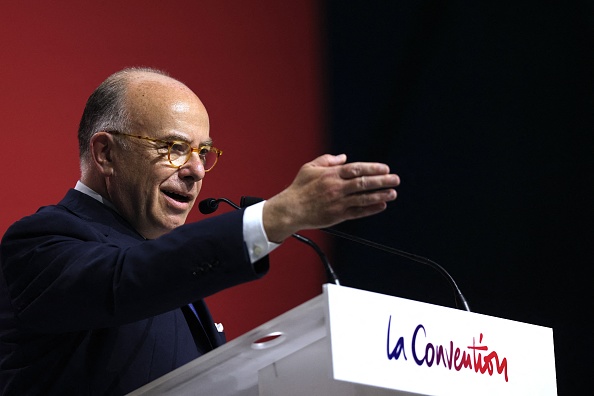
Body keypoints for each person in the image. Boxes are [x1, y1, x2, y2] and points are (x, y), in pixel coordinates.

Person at [0, 67, 400, 395]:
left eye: (203, 153)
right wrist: (277, 215)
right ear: (105, 153)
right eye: (173, 147)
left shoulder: (163, 266)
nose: (194, 171)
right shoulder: (41, 243)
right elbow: (130, 278)